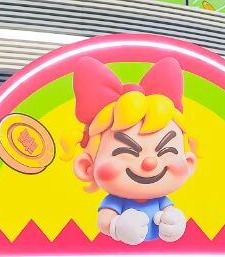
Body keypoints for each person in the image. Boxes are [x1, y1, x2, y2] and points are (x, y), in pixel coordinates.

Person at [64, 56, 197, 245]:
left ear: (189, 163)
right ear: (87, 167)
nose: (150, 162)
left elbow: (171, 211)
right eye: (127, 152)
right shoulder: (114, 202)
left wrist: (175, 222)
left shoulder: (162, 201)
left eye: (165, 150)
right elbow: (104, 221)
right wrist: (116, 227)